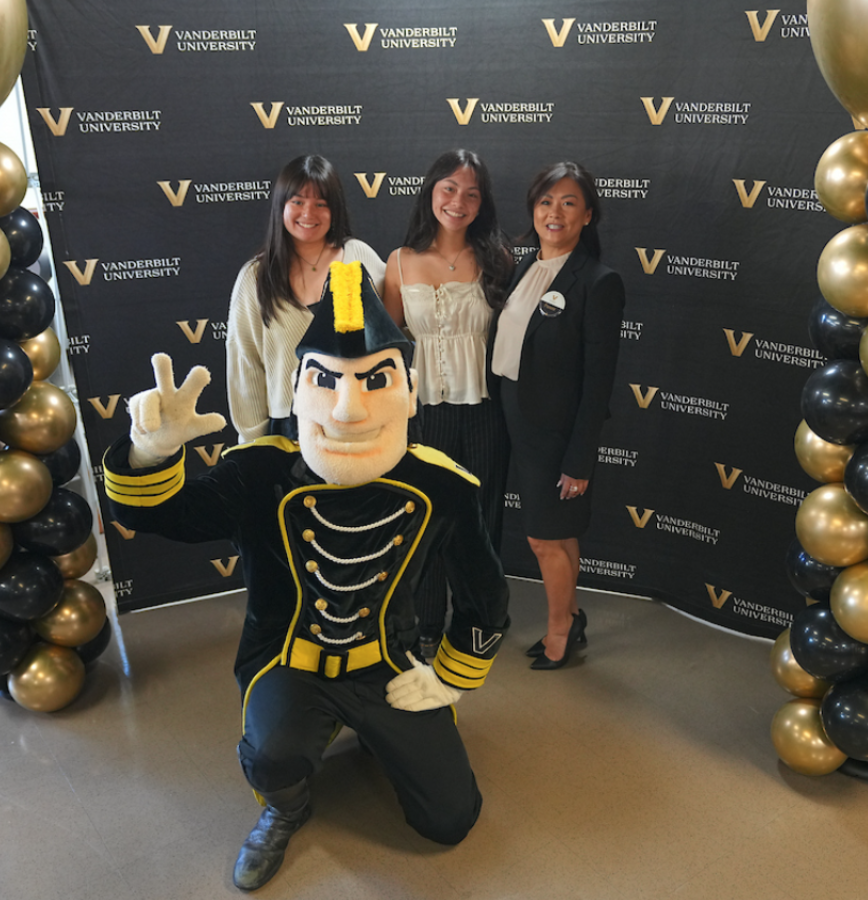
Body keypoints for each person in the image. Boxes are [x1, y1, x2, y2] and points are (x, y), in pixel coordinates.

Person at [104, 261, 509, 892]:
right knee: (271, 754)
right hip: (288, 661)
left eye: (374, 381)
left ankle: (387, 738)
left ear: (406, 390)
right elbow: (166, 517)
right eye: (327, 380)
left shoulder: (441, 485)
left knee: (451, 820)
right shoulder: (260, 473)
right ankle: (285, 806)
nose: (348, 411)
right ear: (298, 388)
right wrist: (149, 455)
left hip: (390, 663)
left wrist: (452, 674)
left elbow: (486, 594)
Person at [488, 161, 625, 670]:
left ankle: (559, 634)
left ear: (588, 215)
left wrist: (580, 458)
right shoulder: (524, 266)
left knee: (545, 537)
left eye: (569, 203)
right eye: (547, 201)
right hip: (512, 411)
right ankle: (570, 617)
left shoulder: (599, 281)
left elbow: (598, 380)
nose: (555, 212)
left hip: (553, 430)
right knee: (561, 533)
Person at [381, 149, 513, 656]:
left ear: (483, 203)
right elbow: (390, 347)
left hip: (484, 410)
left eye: (472, 193)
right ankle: (427, 624)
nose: (459, 201)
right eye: (449, 189)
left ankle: (480, 622)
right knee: (426, 517)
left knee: (480, 519)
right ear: (431, 192)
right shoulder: (398, 261)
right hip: (423, 413)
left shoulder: (498, 257)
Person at [227, 154, 386, 442]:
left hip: (357, 417)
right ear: (281, 206)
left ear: (334, 209)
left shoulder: (359, 258)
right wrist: (253, 443)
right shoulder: (256, 277)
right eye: (297, 202)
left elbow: (393, 338)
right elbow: (245, 364)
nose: (308, 213)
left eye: (321, 204)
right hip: (288, 426)